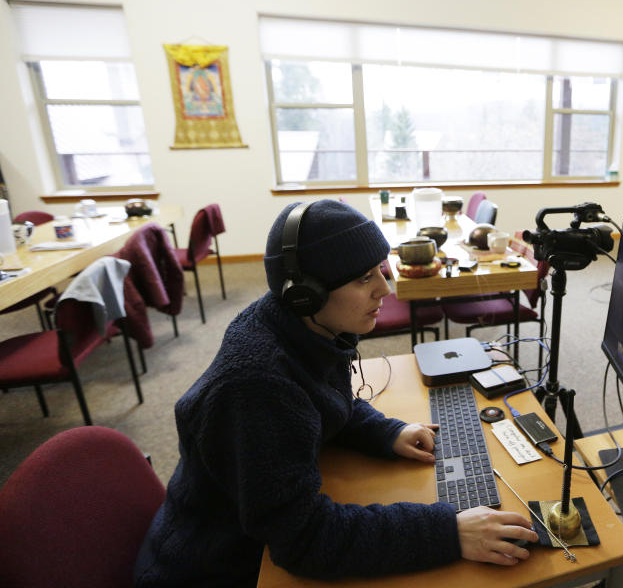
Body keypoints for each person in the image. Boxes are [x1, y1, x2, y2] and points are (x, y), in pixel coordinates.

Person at [134, 200, 538, 587]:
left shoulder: (301, 327)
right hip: (220, 568)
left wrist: (382, 431)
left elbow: (316, 398)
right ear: (304, 293)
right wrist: (447, 532)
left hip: (248, 539)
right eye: (365, 278)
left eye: (380, 270)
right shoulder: (256, 386)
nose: (386, 289)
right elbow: (305, 541)